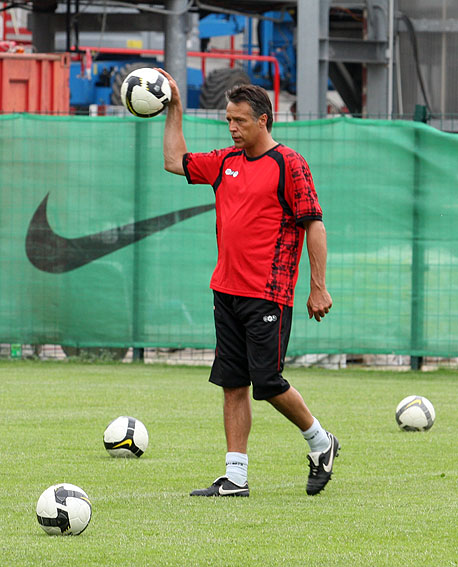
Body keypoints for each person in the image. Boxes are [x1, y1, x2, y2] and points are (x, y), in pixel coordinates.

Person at [159, 68, 338, 497]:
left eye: (239, 120)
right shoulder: (225, 162)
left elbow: (314, 225)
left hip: (268, 294)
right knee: (233, 383)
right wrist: (175, 109)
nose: (232, 127)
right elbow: (174, 161)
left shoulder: (289, 164)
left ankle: (321, 441)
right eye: (228, 120)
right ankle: (235, 478)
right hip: (226, 291)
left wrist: (318, 285)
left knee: (268, 382)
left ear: (263, 120)